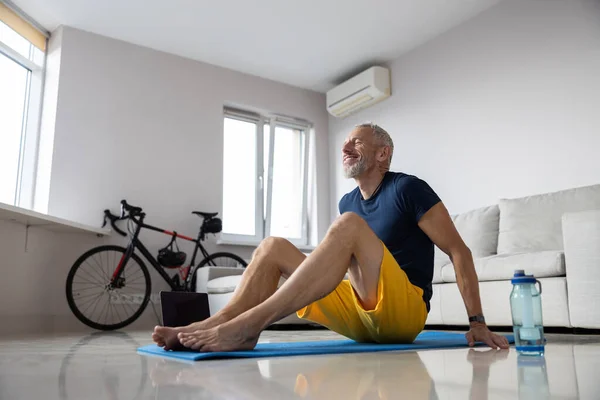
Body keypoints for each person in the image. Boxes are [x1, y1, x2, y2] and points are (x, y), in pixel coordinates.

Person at [152, 123, 510, 352]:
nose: (346, 146)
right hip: (360, 314)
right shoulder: (348, 201)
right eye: (345, 142)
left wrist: (477, 321)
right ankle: (211, 324)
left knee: (349, 224)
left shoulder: (408, 189)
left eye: (357, 141)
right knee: (272, 246)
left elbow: (459, 252)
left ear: (383, 153)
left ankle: (247, 327)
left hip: (403, 316)